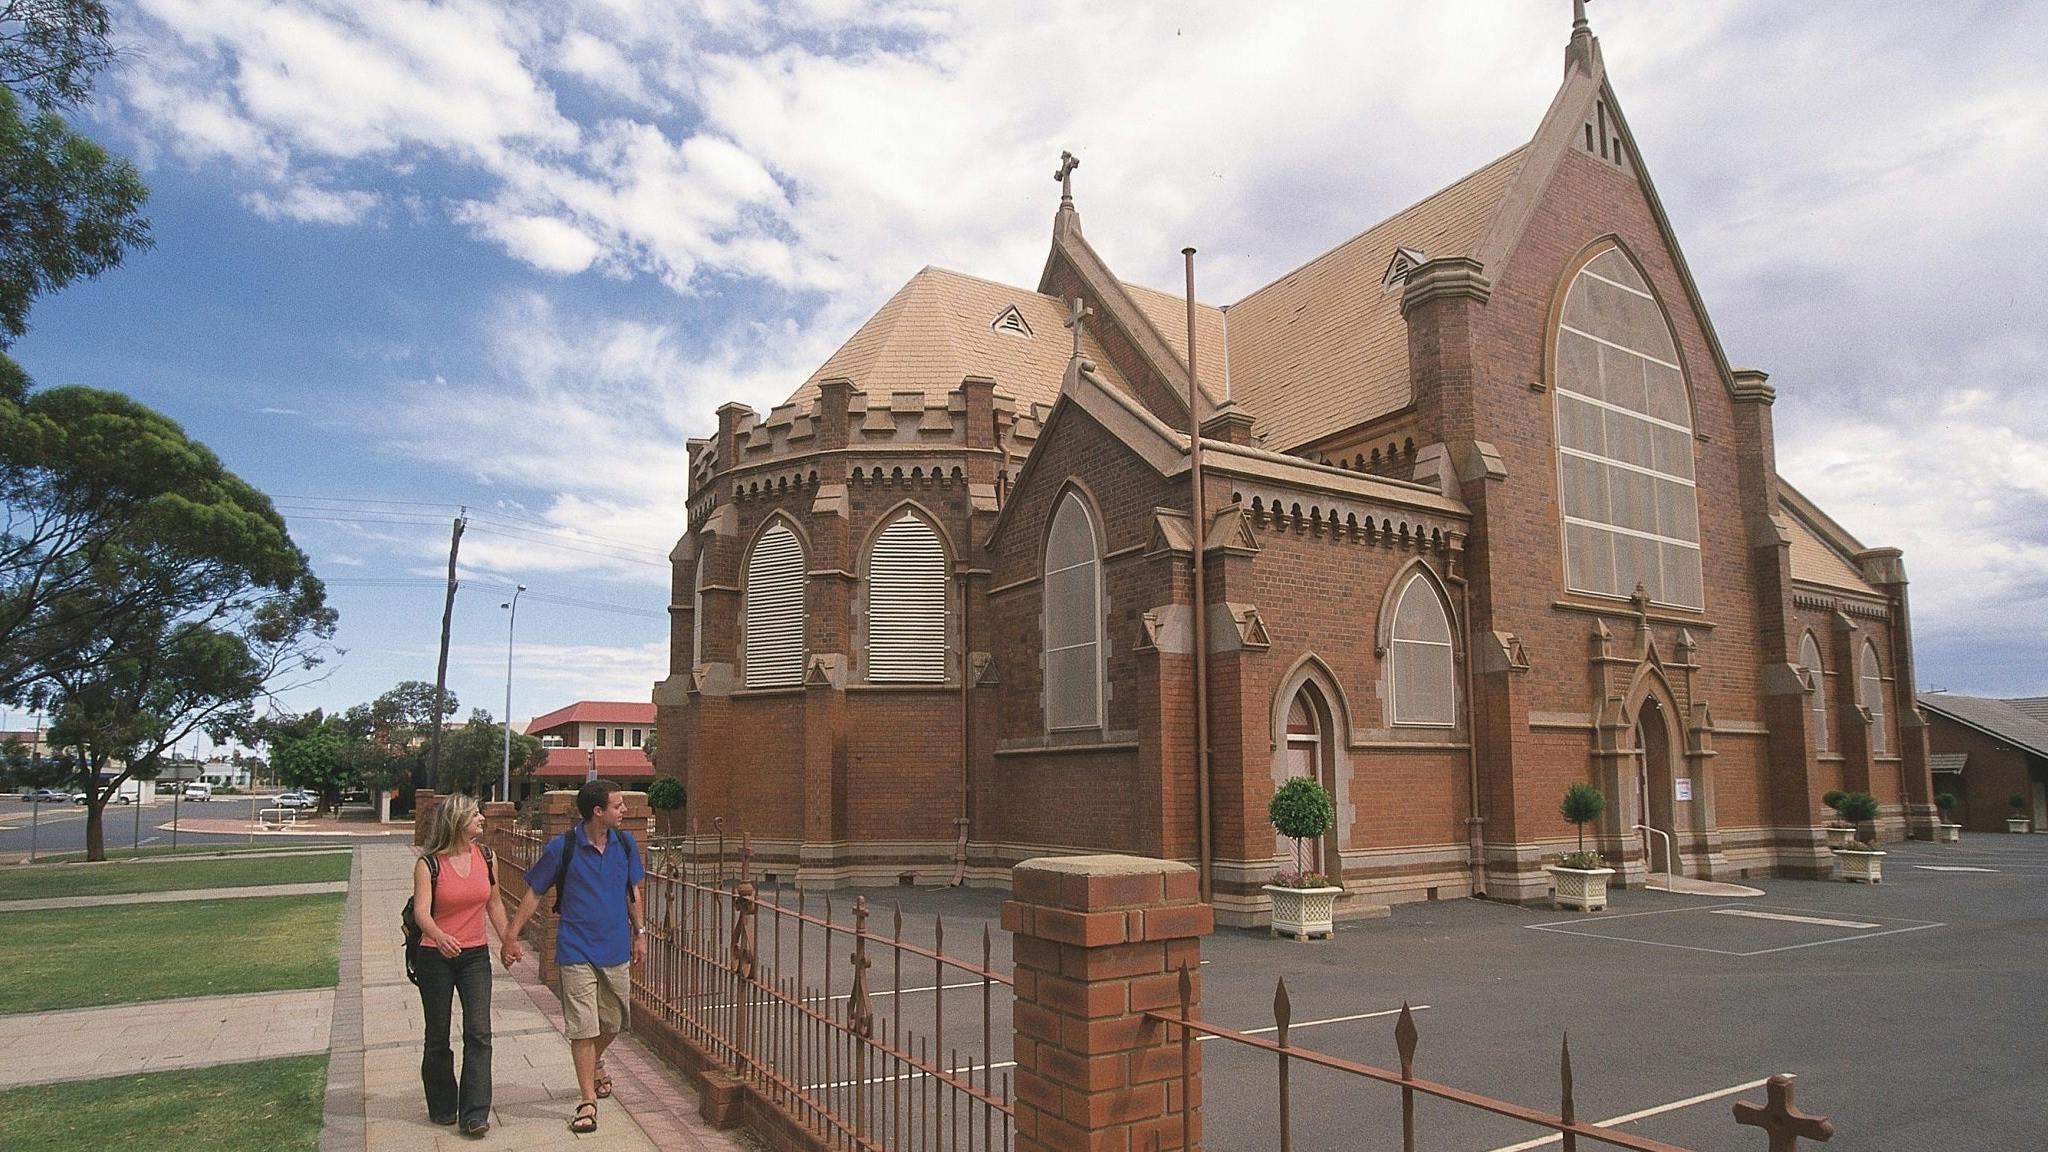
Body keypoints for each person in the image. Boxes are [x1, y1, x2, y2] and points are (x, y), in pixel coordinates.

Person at [502, 779, 646, 1135]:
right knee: (583, 1026)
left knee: (612, 1024)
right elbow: (535, 892)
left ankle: (594, 1063)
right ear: (598, 812)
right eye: (617, 805)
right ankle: (587, 1100)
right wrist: (511, 934)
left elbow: (633, 893)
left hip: (615, 949)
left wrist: (641, 933)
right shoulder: (562, 847)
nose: (624, 810)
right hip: (575, 949)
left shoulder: (626, 845)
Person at [411, 793, 511, 1138]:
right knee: (438, 1035)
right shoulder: (429, 865)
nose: (482, 818)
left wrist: (508, 940)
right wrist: (439, 936)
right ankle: (442, 1104)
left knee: (479, 1032)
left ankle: (474, 1113)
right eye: (475, 814)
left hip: (474, 957)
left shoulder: (486, 857)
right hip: (434, 957)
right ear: (457, 821)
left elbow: (494, 903)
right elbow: (422, 912)